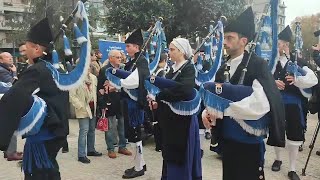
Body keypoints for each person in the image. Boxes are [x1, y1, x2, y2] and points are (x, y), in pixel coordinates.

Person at [201, 7, 285, 180]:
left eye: (230, 38)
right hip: (227, 140)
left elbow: (260, 103)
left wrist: (223, 109)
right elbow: (216, 99)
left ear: (243, 41)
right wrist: (207, 113)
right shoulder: (223, 67)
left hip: (249, 143)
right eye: (225, 37)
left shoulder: (257, 64)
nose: (225, 42)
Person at [0, 17, 69, 180]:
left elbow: (14, 98)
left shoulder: (37, 70)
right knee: (50, 170)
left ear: (37, 49)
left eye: (27, 48)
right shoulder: (55, 68)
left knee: (39, 173)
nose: (24, 51)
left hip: (43, 136)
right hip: (57, 131)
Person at [148, 38, 202, 179]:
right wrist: (158, 101)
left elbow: (184, 91)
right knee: (169, 155)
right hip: (170, 121)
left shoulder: (189, 68)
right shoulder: (172, 69)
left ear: (182, 51)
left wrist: (159, 96)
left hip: (181, 123)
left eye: (172, 49)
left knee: (178, 156)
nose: (169, 52)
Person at [271, 25, 318, 180]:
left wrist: (297, 80)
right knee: (277, 132)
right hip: (277, 103)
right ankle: (277, 159)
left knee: (294, 136)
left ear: (286, 45)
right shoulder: (271, 62)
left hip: (294, 105)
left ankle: (292, 169)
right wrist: (273, 82)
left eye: (278, 44)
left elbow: (313, 79)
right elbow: (261, 78)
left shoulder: (299, 61)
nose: (276, 47)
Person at [107, 28, 149, 178]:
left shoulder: (142, 61)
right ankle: (140, 164)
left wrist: (117, 84)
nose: (126, 49)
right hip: (128, 102)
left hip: (134, 105)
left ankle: (139, 167)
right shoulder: (133, 61)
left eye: (128, 46)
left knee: (135, 135)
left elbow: (135, 81)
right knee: (132, 135)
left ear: (137, 47)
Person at [97, 49, 132, 159]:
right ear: (111, 58)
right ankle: (111, 148)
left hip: (121, 100)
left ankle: (122, 146)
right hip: (109, 101)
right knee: (110, 126)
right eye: (117, 57)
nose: (120, 59)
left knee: (122, 124)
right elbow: (100, 88)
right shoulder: (104, 70)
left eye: (120, 57)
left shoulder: (122, 69)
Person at [70, 69, 102, 164]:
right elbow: (72, 95)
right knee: (84, 130)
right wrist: (80, 106)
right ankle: (81, 155)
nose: (87, 68)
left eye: (88, 66)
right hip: (82, 108)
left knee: (92, 129)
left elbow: (95, 92)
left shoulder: (93, 77)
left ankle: (91, 150)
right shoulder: (75, 78)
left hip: (93, 107)